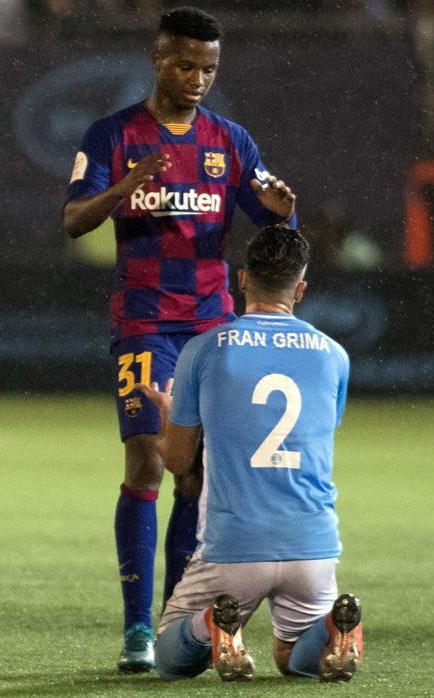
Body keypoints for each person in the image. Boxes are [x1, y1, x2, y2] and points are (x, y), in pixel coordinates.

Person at [60, 6, 297, 671]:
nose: (198, 79)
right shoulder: (113, 136)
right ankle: (135, 629)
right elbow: (74, 219)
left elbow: (272, 231)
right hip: (144, 322)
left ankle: (173, 618)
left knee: (193, 475)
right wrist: (126, 187)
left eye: (209, 68)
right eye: (186, 65)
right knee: (145, 459)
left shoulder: (230, 141)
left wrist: (282, 213)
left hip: (213, 328)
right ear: (157, 60)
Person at [139, 225, 363, 683]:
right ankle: (330, 630)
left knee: (169, 656)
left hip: (234, 544)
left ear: (241, 279)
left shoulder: (204, 350)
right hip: (312, 544)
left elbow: (179, 463)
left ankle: (211, 625)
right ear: (300, 289)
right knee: (293, 661)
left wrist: (165, 424)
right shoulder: (333, 355)